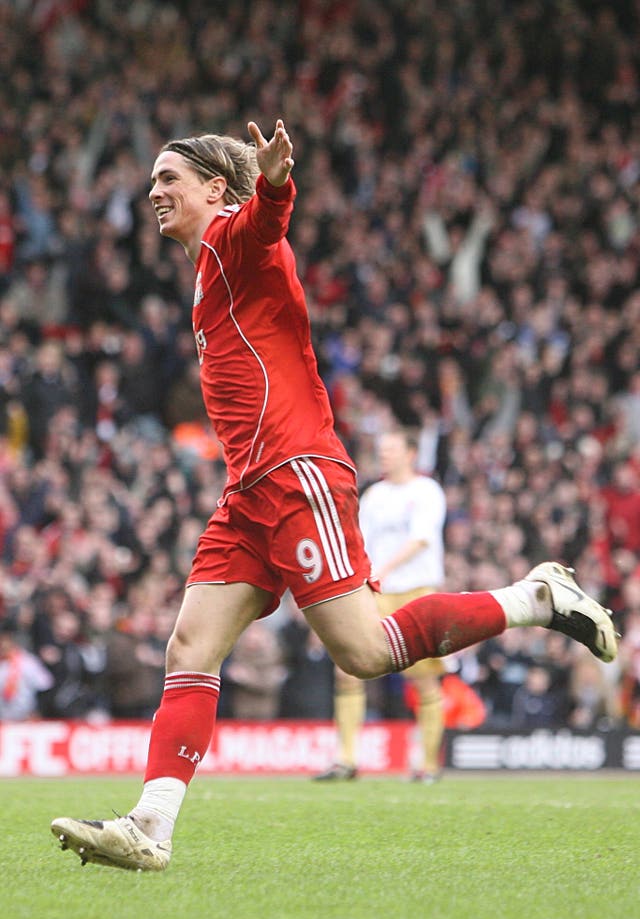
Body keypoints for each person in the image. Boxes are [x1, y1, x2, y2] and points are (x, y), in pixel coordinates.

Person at [51, 119, 618, 872]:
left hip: (296, 473)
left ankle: (535, 600)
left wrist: (277, 182)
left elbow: (267, 222)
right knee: (189, 646)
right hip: (248, 492)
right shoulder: (207, 267)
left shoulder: (231, 238)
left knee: (365, 651)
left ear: (216, 191)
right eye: (153, 180)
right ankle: (151, 824)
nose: (153, 191)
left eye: (168, 179)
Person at [314, 427, 448, 783]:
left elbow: (421, 539)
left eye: (391, 448)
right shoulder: (374, 496)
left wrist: (382, 569)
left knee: (424, 679)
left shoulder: (426, 491)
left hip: (416, 592)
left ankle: (428, 765)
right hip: (377, 593)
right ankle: (346, 759)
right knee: (347, 668)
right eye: (381, 449)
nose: (384, 455)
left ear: (411, 453)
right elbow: (360, 541)